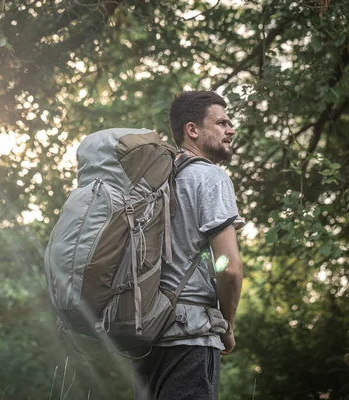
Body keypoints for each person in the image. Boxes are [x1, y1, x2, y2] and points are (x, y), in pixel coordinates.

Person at [132, 91, 245, 400]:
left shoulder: (157, 183)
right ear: (192, 130)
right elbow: (229, 267)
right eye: (221, 122)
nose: (230, 129)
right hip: (191, 336)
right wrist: (227, 325)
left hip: (148, 336)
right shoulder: (210, 178)